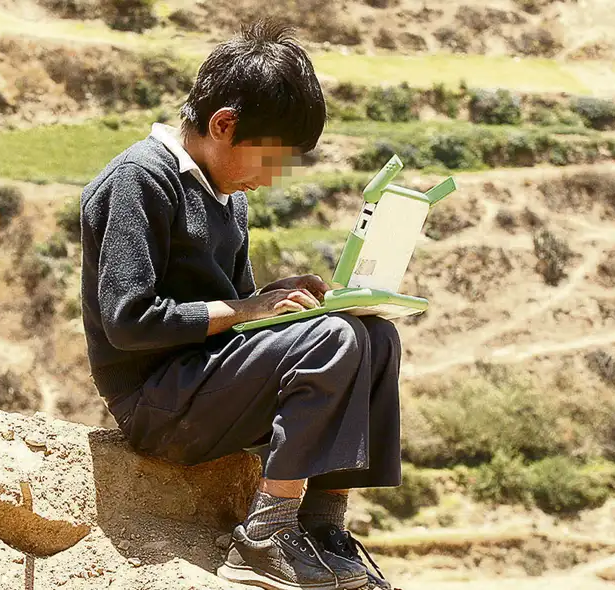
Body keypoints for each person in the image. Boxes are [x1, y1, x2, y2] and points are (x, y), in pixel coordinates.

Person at [79, 19, 402, 590]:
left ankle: (323, 526)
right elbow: (127, 321)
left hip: (205, 385)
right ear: (224, 125)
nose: (273, 179)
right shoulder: (139, 179)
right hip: (158, 404)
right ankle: (264, 536)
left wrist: (294, 307)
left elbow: (243, 322)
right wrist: (254, 309)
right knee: (335, 340)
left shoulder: (227, 197)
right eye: (271, 160)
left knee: (373, 337)